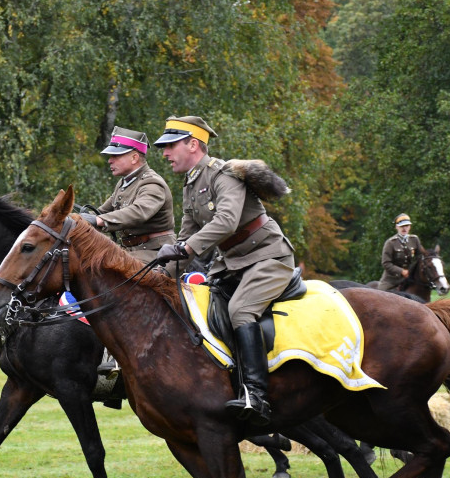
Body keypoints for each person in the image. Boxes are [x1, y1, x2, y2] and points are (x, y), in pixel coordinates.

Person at [153, 115, 295, 427]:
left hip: (267, 258)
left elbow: (227, 221)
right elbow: (185, 237)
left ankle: (256, 395)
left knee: (241, 310)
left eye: (170, 146)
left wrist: (187, 249)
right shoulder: (191, 185)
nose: (164, 153)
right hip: (233, 265)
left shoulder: (224, 174)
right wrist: (158, 277)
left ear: (193, 145)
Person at [81, 126, 177, 264]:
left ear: (134, 157)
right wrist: (73, 219)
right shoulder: (124, 183)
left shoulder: (152, 183)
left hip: (156, 254)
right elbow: (101, 212)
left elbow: (138, 212)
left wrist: (98, 220)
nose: (110, 160)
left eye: (115, 156)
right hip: (129, 251)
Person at [377, 213, 422, 291]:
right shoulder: (390, 242)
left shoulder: (414, 239)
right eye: (401, 226)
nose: (404, 228)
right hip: (392, 280)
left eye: (406, 226)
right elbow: (386, 263)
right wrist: (401, 271)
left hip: (410, 278)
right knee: (380, 294)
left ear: (410, 227)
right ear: (396, 227)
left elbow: (420, 257)